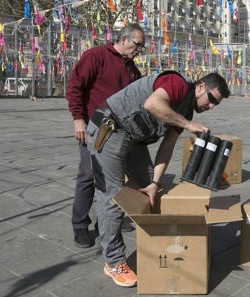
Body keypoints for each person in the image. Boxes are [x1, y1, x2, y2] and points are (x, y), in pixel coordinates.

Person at [87, 71, 230, 287]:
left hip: (133, 140)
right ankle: (114, 262)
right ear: (200, 86)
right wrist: (189, 126)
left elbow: (167, 147)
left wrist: (155, 183)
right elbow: (152, 104)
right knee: (113, 197)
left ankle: (154, 242)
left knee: (145, 191)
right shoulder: (177, 84)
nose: (210, 107)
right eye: (211, 100)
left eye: (215, 105)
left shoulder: (186, 113)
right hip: (109, 131)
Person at [66, 24, 144, 248]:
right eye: (137, 44)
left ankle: (106, 222)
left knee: (114, 180)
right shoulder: (95, 56)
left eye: (142, 47)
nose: (139, 50)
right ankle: (80, 226)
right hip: (93, 128)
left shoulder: (132, 70)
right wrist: (78, 119)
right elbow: (74, 88)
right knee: (88, 176)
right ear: (123, 39)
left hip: (119, 134)